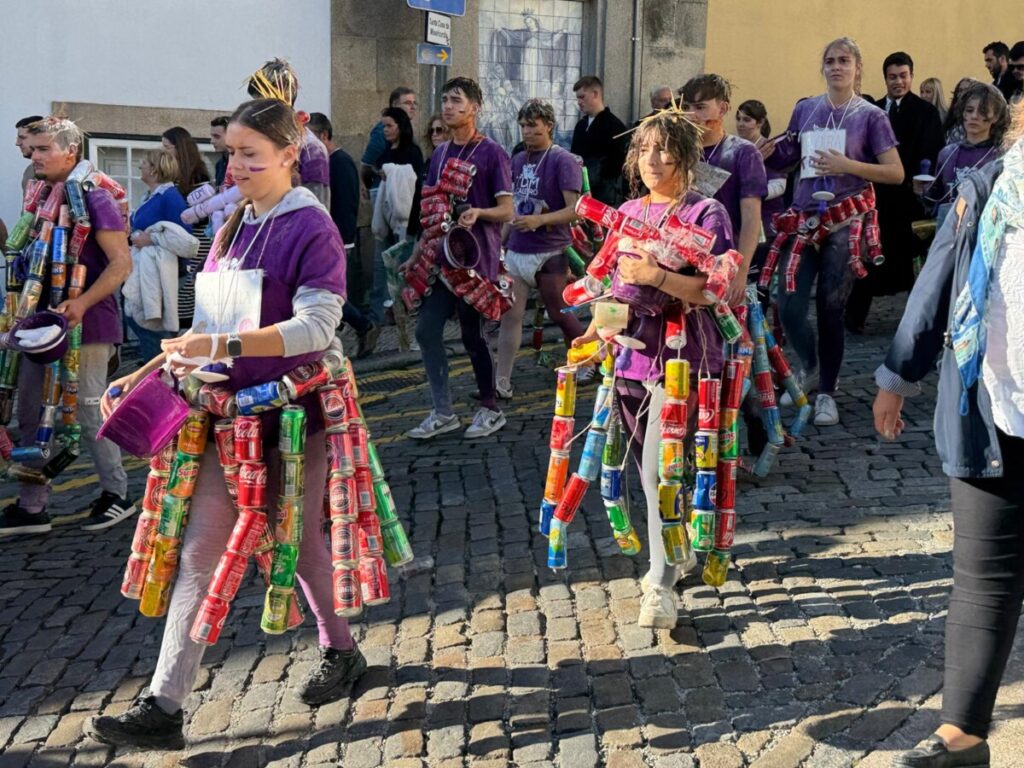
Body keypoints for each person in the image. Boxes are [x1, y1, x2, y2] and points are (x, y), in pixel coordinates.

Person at [83, 98, 366, 750]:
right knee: (200, 552)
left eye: (249, 154)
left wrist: (222, 351)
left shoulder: (311, 228)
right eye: (230, 153)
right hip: (223, 417)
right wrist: (150, 365)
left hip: (296, 418)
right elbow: (209, 326)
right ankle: (164, 706)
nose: (234, 165)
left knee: (299, 544)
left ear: (288, 155)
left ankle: (341, 649)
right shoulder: (233, 222)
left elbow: (317, 328)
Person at [872, 101, 1024, 768]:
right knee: (983, 578)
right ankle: (962, 735)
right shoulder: (987, 189)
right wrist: (898, 372)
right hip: (993, 409)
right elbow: (937, 283)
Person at [571, 109, 735, 629]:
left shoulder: (707, 213)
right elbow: (613, 289)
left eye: (664, 150)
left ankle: (660, 585)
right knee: (646, 463)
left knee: (656, 469)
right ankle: (677, 547)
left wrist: (658, 275)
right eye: (644, 150)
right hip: (631, 356)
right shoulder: (627, 213)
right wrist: (596, 331)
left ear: (686, 156)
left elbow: (713, 290)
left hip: (684, 358)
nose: (653, 160)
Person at [0, 117, 134, 535]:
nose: (34, 156)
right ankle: (33, 505)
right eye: (33, 148)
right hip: (39, 321)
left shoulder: (94, 196)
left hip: (88, 324)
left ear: (70, 152)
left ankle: (117, 494)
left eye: (43, 149)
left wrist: (82, 302)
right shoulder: (41, 193)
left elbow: (120, 264)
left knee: (89, 412)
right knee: (30, 413)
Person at [762, 36, 903, 426]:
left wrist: (847, 164)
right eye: (830, 61)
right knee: (788, 303)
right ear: (822, 68)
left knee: (830, 306)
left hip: (845, 217)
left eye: (844, 61)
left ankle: (826, 391)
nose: (837, 66)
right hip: (804, 216)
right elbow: (790, 156)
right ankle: (808, 368)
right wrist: (766, 153)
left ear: (858, 68)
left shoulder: (871, 115)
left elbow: (895, 172)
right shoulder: (806, 108)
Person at [401, 76, 513, 440]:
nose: (448, 106)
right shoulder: (440, 154)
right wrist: (417, 254)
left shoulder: (491, 152)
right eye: (446, 99)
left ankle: (489, 408)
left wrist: (479, 213)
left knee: (473, 336)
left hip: (476, 262)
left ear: (475, 108)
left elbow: (507, 209)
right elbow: (432, 212)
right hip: (440, 260)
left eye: (457, 100)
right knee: (426, 330)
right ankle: (442, 411)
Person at [845, 51, 944, 334]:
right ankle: (853, 317)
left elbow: (931, 150)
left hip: (907, 200)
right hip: (875, 198)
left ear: (911, 76)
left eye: (903, 76)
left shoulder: (925, 112)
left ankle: (917, 321)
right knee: (867, 253)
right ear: (885, 78)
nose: (898, 82)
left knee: (911, 260)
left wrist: (918, 181)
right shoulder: (873, 111)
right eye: (892, 77)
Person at [495, 99, 584, 398]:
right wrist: (502, 242)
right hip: (518, 250)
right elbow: (512, 207)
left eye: (532, 125)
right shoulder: (517, 160)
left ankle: (587, 359)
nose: (526, 131)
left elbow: (575, 209)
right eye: (523, 125)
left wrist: (540, 220)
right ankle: (501, 379)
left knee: (558, 312)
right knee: (511, 316)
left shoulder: (563, 160)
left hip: (551, 250)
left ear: (548, 125)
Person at [680, 75, 767, 302]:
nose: (692, 115)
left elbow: (751, 218)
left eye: (700, 107)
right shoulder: (678, 153)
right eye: (686, 107)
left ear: (723, 108)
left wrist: (740, 270)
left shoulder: (743, 153)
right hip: (683, 264)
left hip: (725, 262)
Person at [307, 112, 379, 358]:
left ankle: (364, 325)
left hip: (337, 239)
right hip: (327, 237)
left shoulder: (340, 162)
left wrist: (341, 240)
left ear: (324, 135)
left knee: (331, 295)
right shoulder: (325, 162)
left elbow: (346, 205)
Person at [125, 150, 196, 360]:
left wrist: (151, 239)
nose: (140, 166)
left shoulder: (170, 197)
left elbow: (185, 238)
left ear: (154, 170)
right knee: (138, 320)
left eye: (144, 162)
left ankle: (159, 372)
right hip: (145, 268)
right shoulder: (152, 196)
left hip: (163, 272)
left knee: (155, 329)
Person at [917, 83, 1008, 226]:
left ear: (996, 116)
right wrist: (922, 190)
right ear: (963, 113)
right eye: (969, 110)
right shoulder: (947, 153)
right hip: (950, 232)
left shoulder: (1001, 156)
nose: (974, 116)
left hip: (985, 232)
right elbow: (935, 198)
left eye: (982, 111)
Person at [247, 58, 331, 207]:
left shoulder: (310, 149)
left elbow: (316, 213)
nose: (256, 111)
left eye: (261, 103)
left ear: (284, 97)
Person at [370, 107, 424, 327]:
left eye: (389, 125)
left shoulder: (412, 152)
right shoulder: (385, 151)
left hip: (405, 219)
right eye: (383, 126)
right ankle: (379, 313)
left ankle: (401, 311)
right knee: (380, 265)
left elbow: (414, 185)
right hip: (384, 217)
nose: (385, 130)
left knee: (402, 267)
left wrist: (390, 172)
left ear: (401, 127)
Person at [570, 75, 627, 206]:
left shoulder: (615, 126)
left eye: (582, 97)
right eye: (577, 98)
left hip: (604, 197)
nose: (579, 102)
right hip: (579, 192)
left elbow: (619, 164)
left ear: (595, 94)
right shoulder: (581, 125)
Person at [735, 99, 788, 237]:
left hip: (768, 222)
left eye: (746, 120)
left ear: (760, 122)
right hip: (740, 220)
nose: (740, 124)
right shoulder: (734, 148)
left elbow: (779, 186)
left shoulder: (772, 148)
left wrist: (748, 194)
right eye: (738, 119)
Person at [361, 86, 418, 192]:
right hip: (383, 189)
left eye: (414, 103)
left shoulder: (406, 129)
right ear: (395, 105)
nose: (413, 107)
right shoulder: (381, 131)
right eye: (408, 103)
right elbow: (366, 165)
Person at [161, 126, 212, 198]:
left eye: (166, 147)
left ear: (179, 148)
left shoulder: (198, 175)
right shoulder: (168, 170)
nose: (163, 151)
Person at [944, 77, 979, 144]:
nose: (962, 93)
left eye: (966, 90)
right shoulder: (952, 114)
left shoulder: (976, 116)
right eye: (960, 90)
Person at [15, 115, 44, 193]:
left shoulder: (57, 170)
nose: (17, 143)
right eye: (17, 139)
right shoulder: (29, 170)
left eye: (22, 138)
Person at [209, 116, 230, 189]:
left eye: (216, 136)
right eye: (212, 136)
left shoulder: (242, 164)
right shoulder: (219, 164)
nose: (212, 141)